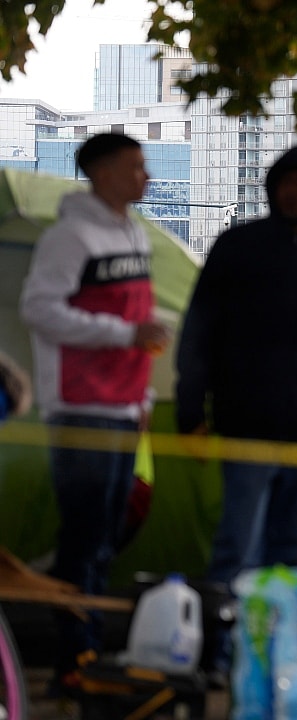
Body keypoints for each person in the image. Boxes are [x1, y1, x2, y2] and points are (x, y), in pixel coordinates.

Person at [175, 143, 297, 677]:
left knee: (292, 555)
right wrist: (190, 414)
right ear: (271, 187)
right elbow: (198, 337)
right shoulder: (238, 248)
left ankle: (277, 662)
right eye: (285, 182)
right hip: (244, 428)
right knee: (236, 551)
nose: (292, 192)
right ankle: (219, 658)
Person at [19, 132, 170, 693]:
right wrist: (123, 334)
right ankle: (72, 660)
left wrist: (142, 398)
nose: (145, 177)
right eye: (135, 167)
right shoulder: (70, 237)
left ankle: (92, 653)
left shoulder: (134, 234)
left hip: (124, 407)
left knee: (106, 535)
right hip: (81, 406)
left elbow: (139, 320)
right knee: (84, 537)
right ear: (102, 173)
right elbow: (39, 308)